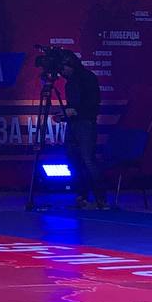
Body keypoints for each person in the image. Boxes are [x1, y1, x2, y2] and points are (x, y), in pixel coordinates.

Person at [60, 52, 105, 209]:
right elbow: (73, 103)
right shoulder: (71, 81)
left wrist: (75, 111)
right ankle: (82, 196)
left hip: (85, 123)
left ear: (71, 65)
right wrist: (66, 113)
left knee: (88, 160)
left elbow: (91, 102)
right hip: (74, 123)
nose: (62, 72)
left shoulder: (86, 78)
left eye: (63, 68)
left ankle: (101, 199)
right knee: (74, 159)